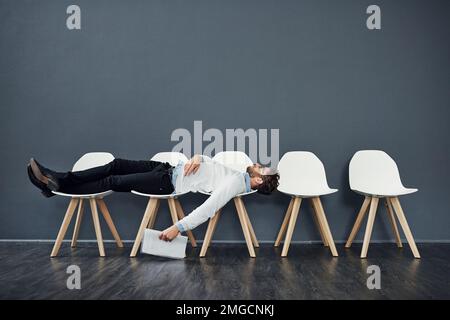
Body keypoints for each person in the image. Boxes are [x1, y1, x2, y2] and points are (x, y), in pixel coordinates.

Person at [28, 154, 279, 241]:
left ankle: (57, 186)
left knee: (113, 182)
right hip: (167, 168)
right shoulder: (237, 176)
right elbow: (210, 168)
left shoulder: (236, 184)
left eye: (262, 167)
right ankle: (58, 179)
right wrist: (199, 157)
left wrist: (176, 228)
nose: (257, 163)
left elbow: (208, 209)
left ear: (258, 181)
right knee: (115, 165)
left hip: (166, 182)